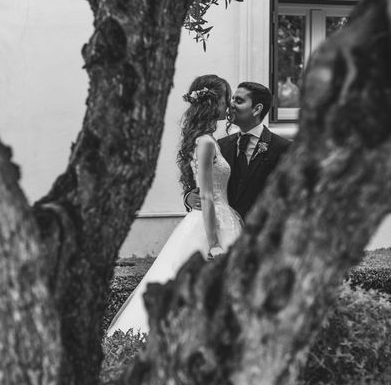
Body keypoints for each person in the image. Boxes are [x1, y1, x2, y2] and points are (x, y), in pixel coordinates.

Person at [106, 75, 243, 335]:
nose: (229, 106)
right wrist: (214, 244)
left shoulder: (209, 140)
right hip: (210, 226)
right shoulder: (205, 142)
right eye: (227, 99)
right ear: (214, 103)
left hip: (222, 219)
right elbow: (205, 196)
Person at [184, 81, 291, 218]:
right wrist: (188, 198)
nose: (231, 104)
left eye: (238, 101)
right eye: (232, 99)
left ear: (257, 109)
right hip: (225, 228)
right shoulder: (220, 145)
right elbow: (199, 183)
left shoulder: (283, 148)